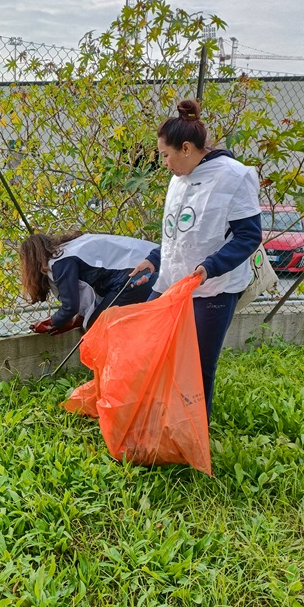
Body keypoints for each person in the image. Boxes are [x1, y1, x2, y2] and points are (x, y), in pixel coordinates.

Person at [130, 99, 261, 419]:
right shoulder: (179, 179)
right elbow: (178, 235)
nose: (163, 163)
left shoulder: (234, 177)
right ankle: (157, 416)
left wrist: (208, 268)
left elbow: (248, 236)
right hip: (171, 281)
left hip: (213, 287)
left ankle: (193, 432)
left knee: (199, 363)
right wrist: (153, 258)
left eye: (164, 155)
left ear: (186, 148)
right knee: (149, 346)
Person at [21, 231, 158, 333]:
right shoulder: (70, 249)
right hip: (147, 273)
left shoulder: (59, 262)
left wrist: (52, 322)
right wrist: (75, 321)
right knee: (97, 322)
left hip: (133, 281)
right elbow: (86, 297)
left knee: (96, 327)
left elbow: (70, 307)